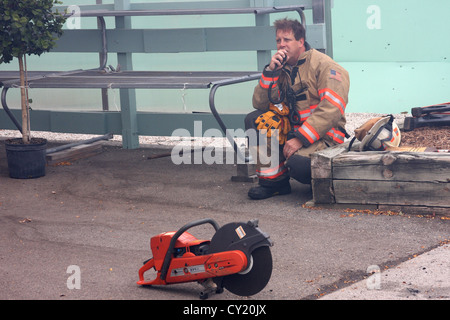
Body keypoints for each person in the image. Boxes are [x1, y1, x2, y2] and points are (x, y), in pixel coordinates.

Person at [245, 18, 350, 200]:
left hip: (324, 136)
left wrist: (300, 139)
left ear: (301, 41)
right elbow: (259, 103)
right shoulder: (280, 67)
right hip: (292, 131)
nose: (281, 45)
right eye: (278, 40)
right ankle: (274, 183)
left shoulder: (326, 66)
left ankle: (320, 180)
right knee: (255, 119)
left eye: (287, 40)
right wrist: (270, 72)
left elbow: (331, 109)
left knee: (299, 165)